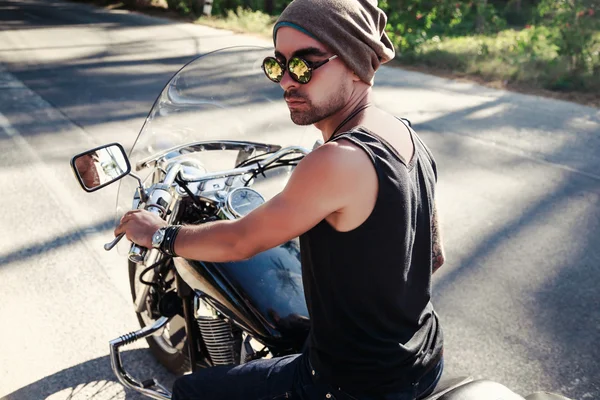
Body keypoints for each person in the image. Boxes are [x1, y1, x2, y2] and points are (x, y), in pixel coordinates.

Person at [114, 0, 446, 398]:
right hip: (423, 356)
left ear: (356, 62)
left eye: (305, 64)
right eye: (278, 65)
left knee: (192, 391)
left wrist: (160, 235)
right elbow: (433, 255)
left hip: (349, 384)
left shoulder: (336, 160)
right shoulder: (404, 135)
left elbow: (240, 241)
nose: (288, 80)